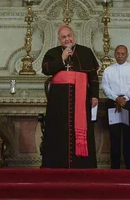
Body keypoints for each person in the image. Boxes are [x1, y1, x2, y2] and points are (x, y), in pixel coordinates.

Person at [41, 24, 99, 168]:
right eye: (64, 37)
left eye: (69, 36)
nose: (67, 39)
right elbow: (46, 69)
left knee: (81, 129)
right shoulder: (52, 52)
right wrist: (61, 59)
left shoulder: (86, 52)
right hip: (58, 101)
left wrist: (95, 95)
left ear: (74, 36)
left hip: (82, 98)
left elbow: (93, 77)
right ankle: (57, 164)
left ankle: (83, 164)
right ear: (59, 40)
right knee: (59, 130)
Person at [100, 45, 130, 169]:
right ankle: (115, 168)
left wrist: (125, 98)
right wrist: (116, 98)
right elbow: (105, 86)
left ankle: (129, 167)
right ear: (115, 55)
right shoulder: (108, 70)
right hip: (113, 103)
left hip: (128, 104)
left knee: (129, 136)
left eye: (123, 54)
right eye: (118, 53)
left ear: (127, 55)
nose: (120, 56)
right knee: (114, 137)